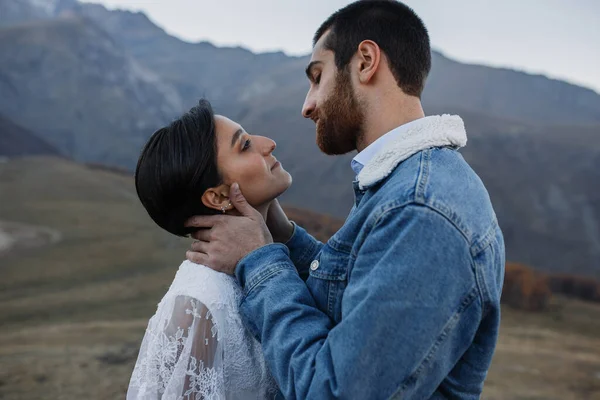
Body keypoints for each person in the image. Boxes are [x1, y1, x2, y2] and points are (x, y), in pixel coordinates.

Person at [185, 1, 505, 399]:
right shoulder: (401, 185)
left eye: (317, 77)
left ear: (366, 61)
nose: (307, 105)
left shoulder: (421, 211)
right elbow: (353, 299)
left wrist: (260, 262)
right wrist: (281, 237)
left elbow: (332, 392)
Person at [127, 99, 287, 399]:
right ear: (218, 197)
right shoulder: (201, 302)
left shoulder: (274, 258)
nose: (269, 144)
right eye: (246, 146)